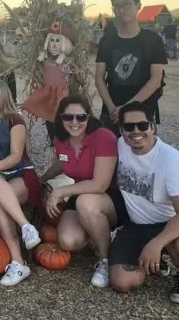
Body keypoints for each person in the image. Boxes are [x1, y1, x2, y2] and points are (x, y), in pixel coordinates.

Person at [40, 94, 127, 288]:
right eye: (68, 117)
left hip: (111, 197)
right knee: (68, 241)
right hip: (81, 192)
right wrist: (43, 179)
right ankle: (101, 233)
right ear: (61, 118)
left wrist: (59, 191)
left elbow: (100, 184)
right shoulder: (61, 140)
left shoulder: (103, 137)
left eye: (81, 117)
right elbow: (62, 162)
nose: (75, 122)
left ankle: (105, 260)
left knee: (85, 202)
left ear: (89, 116)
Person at [0, 78, 41, 286]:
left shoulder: (14, 119)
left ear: (2, 96)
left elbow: (16, 155)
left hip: (20, 174)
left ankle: (20, 252)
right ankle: (24, 239)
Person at [109, 102, 179, 303]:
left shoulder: (170, 160)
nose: (136, 131)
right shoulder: (121, 145)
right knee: (121, 282)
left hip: (168, 225)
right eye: (129, 127)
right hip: (136, 226)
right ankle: (154, 263)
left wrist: (157, 243)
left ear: (153, 126)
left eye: (142, 125)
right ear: (121, 130)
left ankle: (160, 254)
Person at [95, 0, 167, 136]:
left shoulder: (152, 40)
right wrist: (112, 108)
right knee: (108, 156)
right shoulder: (107, 41)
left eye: (126, 4)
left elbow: (156, 79)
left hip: (142, 112)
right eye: (117, 6)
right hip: (111, 113)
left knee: (142, 156)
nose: (121, 10)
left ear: (138, 6)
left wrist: (126, 108)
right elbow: (99, 78)